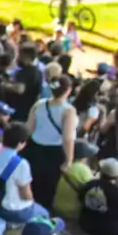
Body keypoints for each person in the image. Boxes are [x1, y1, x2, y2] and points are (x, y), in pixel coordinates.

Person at [21, 74, 76, 210]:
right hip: (53, 153)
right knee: (47, 188)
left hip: (34, 147)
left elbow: (29, 128)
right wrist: (69, 159)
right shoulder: (68, 111)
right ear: (68, 90)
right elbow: (68, 138)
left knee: (29, 180)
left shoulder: (39, 104)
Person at [79, 157, 118, 235]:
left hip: (86, 225)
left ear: (101, 172)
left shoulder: (90, 184)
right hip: (111, 232)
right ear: (117, 175)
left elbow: (80, 198)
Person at [53, 139, 99, 222]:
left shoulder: (64, 164)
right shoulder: (83, 169)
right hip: (72, 212)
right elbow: (94, 189)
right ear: (84, 157)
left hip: (56, 206)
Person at [1, 43, 43, 122]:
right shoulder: (38, 72)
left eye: (20, 54)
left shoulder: (25, 72)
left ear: (25, 56)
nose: (18, 58)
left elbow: (20, 89)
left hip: (18, 111)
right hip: (29, 111)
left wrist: (5, 86)